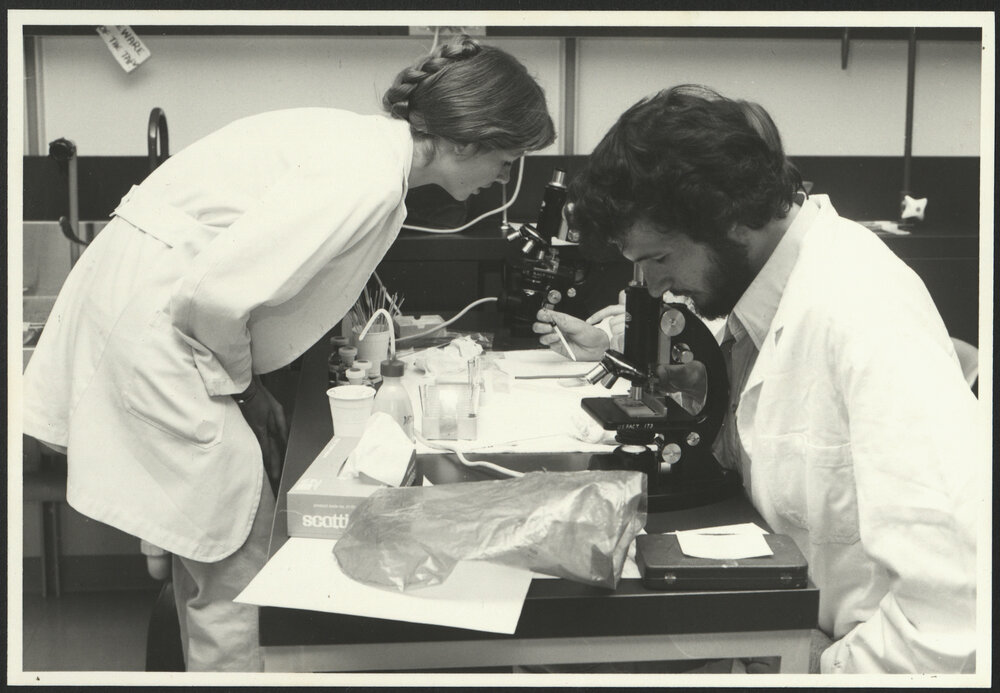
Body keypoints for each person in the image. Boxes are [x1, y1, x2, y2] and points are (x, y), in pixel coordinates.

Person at [22, 35, 554, 672]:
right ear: (467, 139)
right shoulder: (370, 177)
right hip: (160, 338)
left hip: (152, 322)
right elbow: (214, 299)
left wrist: (255, 389)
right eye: (507, 159)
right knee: (236, 571)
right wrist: (247, 393)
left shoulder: (360, 146)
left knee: (214, 555)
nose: (503, 178)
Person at [534, 85, 979, 674]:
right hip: (778, 630)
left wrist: (816, 670)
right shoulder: (762, 303)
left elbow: (957, 618)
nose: (651, 286)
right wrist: (700, 386)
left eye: (661, 259)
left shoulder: (862, 314)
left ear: (731, 220)